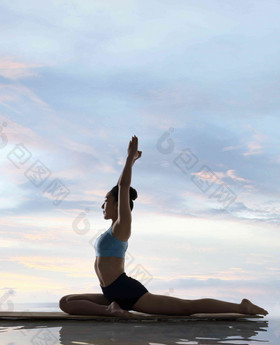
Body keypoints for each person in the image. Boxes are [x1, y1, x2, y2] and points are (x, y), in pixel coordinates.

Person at [59, 136, 268, 318]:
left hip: (127, 292)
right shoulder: (112, 229)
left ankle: (242, 307)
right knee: (66, 301)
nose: (102, 205)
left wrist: (130, 160)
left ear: (117, 205)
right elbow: (119, 188)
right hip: (111, 293)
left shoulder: (122, 226)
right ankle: (112, 310)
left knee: (186, 308)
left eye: (106, 200)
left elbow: (122, 188)